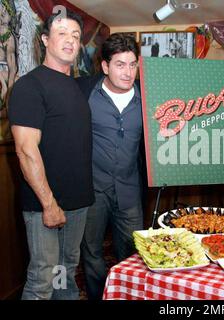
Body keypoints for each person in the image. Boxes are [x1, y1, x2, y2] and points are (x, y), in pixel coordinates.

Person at [8, 10, 94, 300]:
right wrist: (49, 204)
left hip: (78, 202)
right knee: (42, 278)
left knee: (65, 272)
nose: (70, 40)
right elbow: (25, 149)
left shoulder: (77, 86)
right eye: (62, 33)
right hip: (45, 203)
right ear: (45, 39)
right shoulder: (29, 86)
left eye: (76, 35)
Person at [77, 33, 144, 300]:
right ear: (105, 66)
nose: (128, 72)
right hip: (92, 190)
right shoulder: (84, 93)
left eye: (132, 64)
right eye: (120, 64)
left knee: (132, 254)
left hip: (129, 190)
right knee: (91, 252)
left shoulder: (148, 98)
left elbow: (163, 130)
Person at [0, 1, 18, 117]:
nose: (1, 14)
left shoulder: (9, 38)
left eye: (4, 11)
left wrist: (7, 91)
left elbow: (12, 69)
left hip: (7, 75)